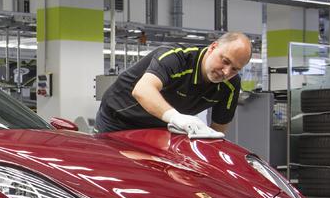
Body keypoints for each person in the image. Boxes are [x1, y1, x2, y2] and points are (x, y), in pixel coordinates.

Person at [95, 31, 253, 136]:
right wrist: (177, 118)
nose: (226, 72)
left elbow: (218, 128)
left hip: (160, 126)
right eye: (225, 61)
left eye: (235, 69)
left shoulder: (230, 85)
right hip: (118, 119)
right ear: (212, 47)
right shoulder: (175, 58)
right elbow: (142, 90)